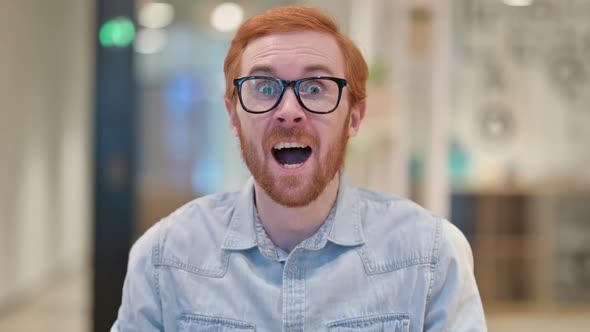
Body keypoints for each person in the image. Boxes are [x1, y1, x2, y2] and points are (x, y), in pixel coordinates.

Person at [112, 5, 487, 331]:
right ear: (233, 116)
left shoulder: (431, 255)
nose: (289, 110)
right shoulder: (165, 257)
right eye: (263, 87)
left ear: (354, 117)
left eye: (314, 88)